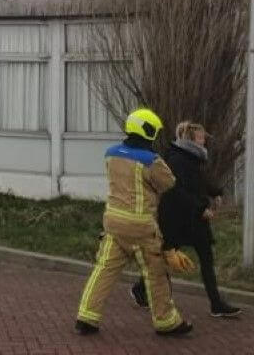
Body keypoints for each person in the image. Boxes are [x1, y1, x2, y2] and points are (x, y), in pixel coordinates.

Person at [74, 108, 193, 337]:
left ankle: (86, 317)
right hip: (141, 227)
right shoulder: (151, 161)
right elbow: (169, 185)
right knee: (156, 274)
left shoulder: (111, 154)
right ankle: (166, 322)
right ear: (147, 132)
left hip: (113, 223)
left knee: (104, 271)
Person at [131, 121, 242, 317]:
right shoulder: (177, 160)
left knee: (206, 257)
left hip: (194, 218)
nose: (204, 140)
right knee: (166, 257)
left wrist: (216, 192)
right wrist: (201, 209)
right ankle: (141, 289)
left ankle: (216, 304)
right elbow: (176, 191)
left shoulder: (193, 157)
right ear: (190, 139)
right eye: (201, 137)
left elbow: (199, 182)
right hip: (177, 218)